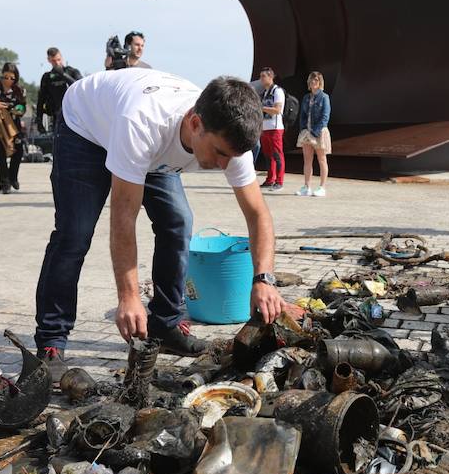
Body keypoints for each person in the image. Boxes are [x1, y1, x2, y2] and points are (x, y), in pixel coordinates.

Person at [34, 70, 285, 376]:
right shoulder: (143, 123)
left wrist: (263, 280)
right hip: (86, 129)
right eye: (219, 154)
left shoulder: (231, 140)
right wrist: (128, 297)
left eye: (230, 158)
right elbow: (124, 218)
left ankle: (166, 324)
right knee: (75, 233)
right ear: (195, 123)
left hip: (150, 146)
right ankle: (51, 341)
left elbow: (258, 214)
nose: (224, 166)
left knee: (178, 221)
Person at [0, 62, 26, 193]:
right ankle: (4, 184)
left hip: (14, 126)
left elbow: (23, 106)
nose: (8, 80)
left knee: (18, 152)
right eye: (5, 77)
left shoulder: (18, 89)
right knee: (1, 156)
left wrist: (16, 110)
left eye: (11, 78)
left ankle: (13, 177)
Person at [295, 71, 331, 197]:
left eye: (315, 80)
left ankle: (322, 187)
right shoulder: (306, 98)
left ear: (320, 82)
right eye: (311, 80)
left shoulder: (324, 97)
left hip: (319, 132)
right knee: (307, 160)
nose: (313, 82)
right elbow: (303, 116)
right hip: (307, 132)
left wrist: (315, 132)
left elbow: (325, 117)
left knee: (321, 159)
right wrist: (304, 129)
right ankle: (307, 186)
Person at [36, 47, 82, 133]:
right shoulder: (47, 77)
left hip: (73, 116)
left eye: (58, 59)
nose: (57, 63)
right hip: (56, 116)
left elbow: (80, 87)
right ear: (49, 60)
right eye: (53, 61)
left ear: (62, 58)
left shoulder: (72, 72)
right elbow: (41, 100)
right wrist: (39, 120)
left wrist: (63, 74)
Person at [258, 67, 285, 191]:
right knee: (268, 155)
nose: (261, 79)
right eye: (261, 76)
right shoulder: (263, 93)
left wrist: (261, 107)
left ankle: (279, 181)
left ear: (271, 77)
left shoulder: (277, 91)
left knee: (277, 155)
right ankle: (270, 179)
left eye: (263, 76)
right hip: (265, 128)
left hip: (275, 128)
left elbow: (277, 110)